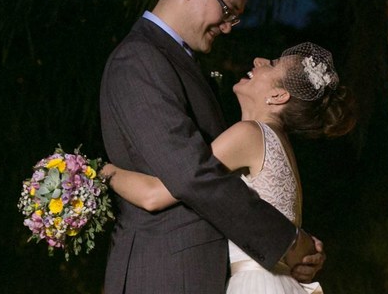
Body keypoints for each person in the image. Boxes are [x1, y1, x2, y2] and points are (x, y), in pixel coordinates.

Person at [98, 0, 327, 293]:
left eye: (236, 18)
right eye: (228, 10)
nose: (229, 26)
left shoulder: (182, 62)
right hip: (166, 273)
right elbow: (192, 175)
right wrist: (289, 242)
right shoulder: (139, 59)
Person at [103, 43, 355, 294]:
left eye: (273, 64)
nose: (258, 59)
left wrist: (97, 171)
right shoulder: (280, 144)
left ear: (279, 96)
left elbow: (154, 194)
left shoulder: (250, 135)